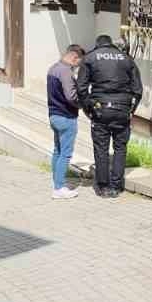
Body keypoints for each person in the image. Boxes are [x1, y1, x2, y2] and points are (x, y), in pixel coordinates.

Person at [75, 34, 142, 198]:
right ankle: (117, 186)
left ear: (97, 45)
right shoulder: (127, 59)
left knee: (101, 148)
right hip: (122, 110)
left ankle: (103, 187)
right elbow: (138, 90)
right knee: (120, 148)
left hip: (100, 109)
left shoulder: (90, 58)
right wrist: (131, 110)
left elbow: (81, 88)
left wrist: (88, 109)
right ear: (111, 44)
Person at [46, 44, 85, 199]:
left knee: (57, 150)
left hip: (54, 115)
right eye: (79, 62)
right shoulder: (66, 72)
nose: (78, 66)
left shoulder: (53, 68)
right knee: (66, 154)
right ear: (75, 57)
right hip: (66, 117)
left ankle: (56, 182)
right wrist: (81, 104)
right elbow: (71, 96)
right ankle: (59, 188)